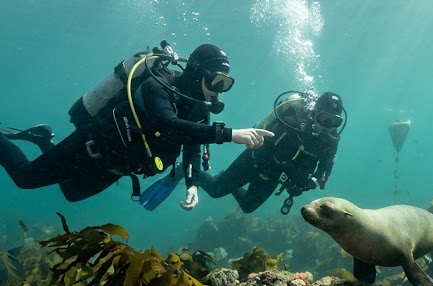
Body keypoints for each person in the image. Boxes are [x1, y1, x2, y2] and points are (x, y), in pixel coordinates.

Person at [0, 42, 273, 210]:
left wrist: (192, 186)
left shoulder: (199, 110)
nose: (218, 91)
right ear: (196, 72)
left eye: (226, 85)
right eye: (216, 81)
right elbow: (165, 122)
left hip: (116, 166)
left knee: (71, 194)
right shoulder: (157, 85)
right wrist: (229, 133)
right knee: (25, 179)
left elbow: (191, 148)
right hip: (91, 147)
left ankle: (42, 138)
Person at [143, 90, 344, 214]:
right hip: (254, 161)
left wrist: (313, 181)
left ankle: (223, 178)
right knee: (215, 191)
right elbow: (265, 152)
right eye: (325, 119)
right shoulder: (292, 124)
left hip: (273, 177)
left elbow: (325, 169)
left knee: (247, 207)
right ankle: (182, 170)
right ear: (315, 114)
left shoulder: (331, 140)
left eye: (335, 122)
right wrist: (288, 176)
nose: (328, 126)